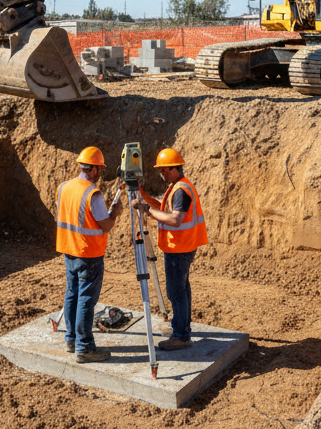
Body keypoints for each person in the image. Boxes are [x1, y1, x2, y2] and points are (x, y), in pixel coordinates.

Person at [133, 147, 208, 350]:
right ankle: (183, 328)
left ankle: (181, 336)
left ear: (174, 168)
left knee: (176, 292)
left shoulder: (181, 190)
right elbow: (162, 207)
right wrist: (143, 197)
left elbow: (175, 219)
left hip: (179, 248)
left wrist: (147, 211)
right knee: (182, 289)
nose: (161, 174)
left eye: (163, 170)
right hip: (182, 245)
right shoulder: (178, 186)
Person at [56, 146, 123, 363]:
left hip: (69, 249)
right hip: (88, 254)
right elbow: (105, 225)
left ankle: (71, 340)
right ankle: (84, 348)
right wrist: (115, 212)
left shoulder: (64, 187)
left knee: (72, 294)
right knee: (85, 299)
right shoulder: (92, 194)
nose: (101, 173)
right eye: (100, 169)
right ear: (93, 169)